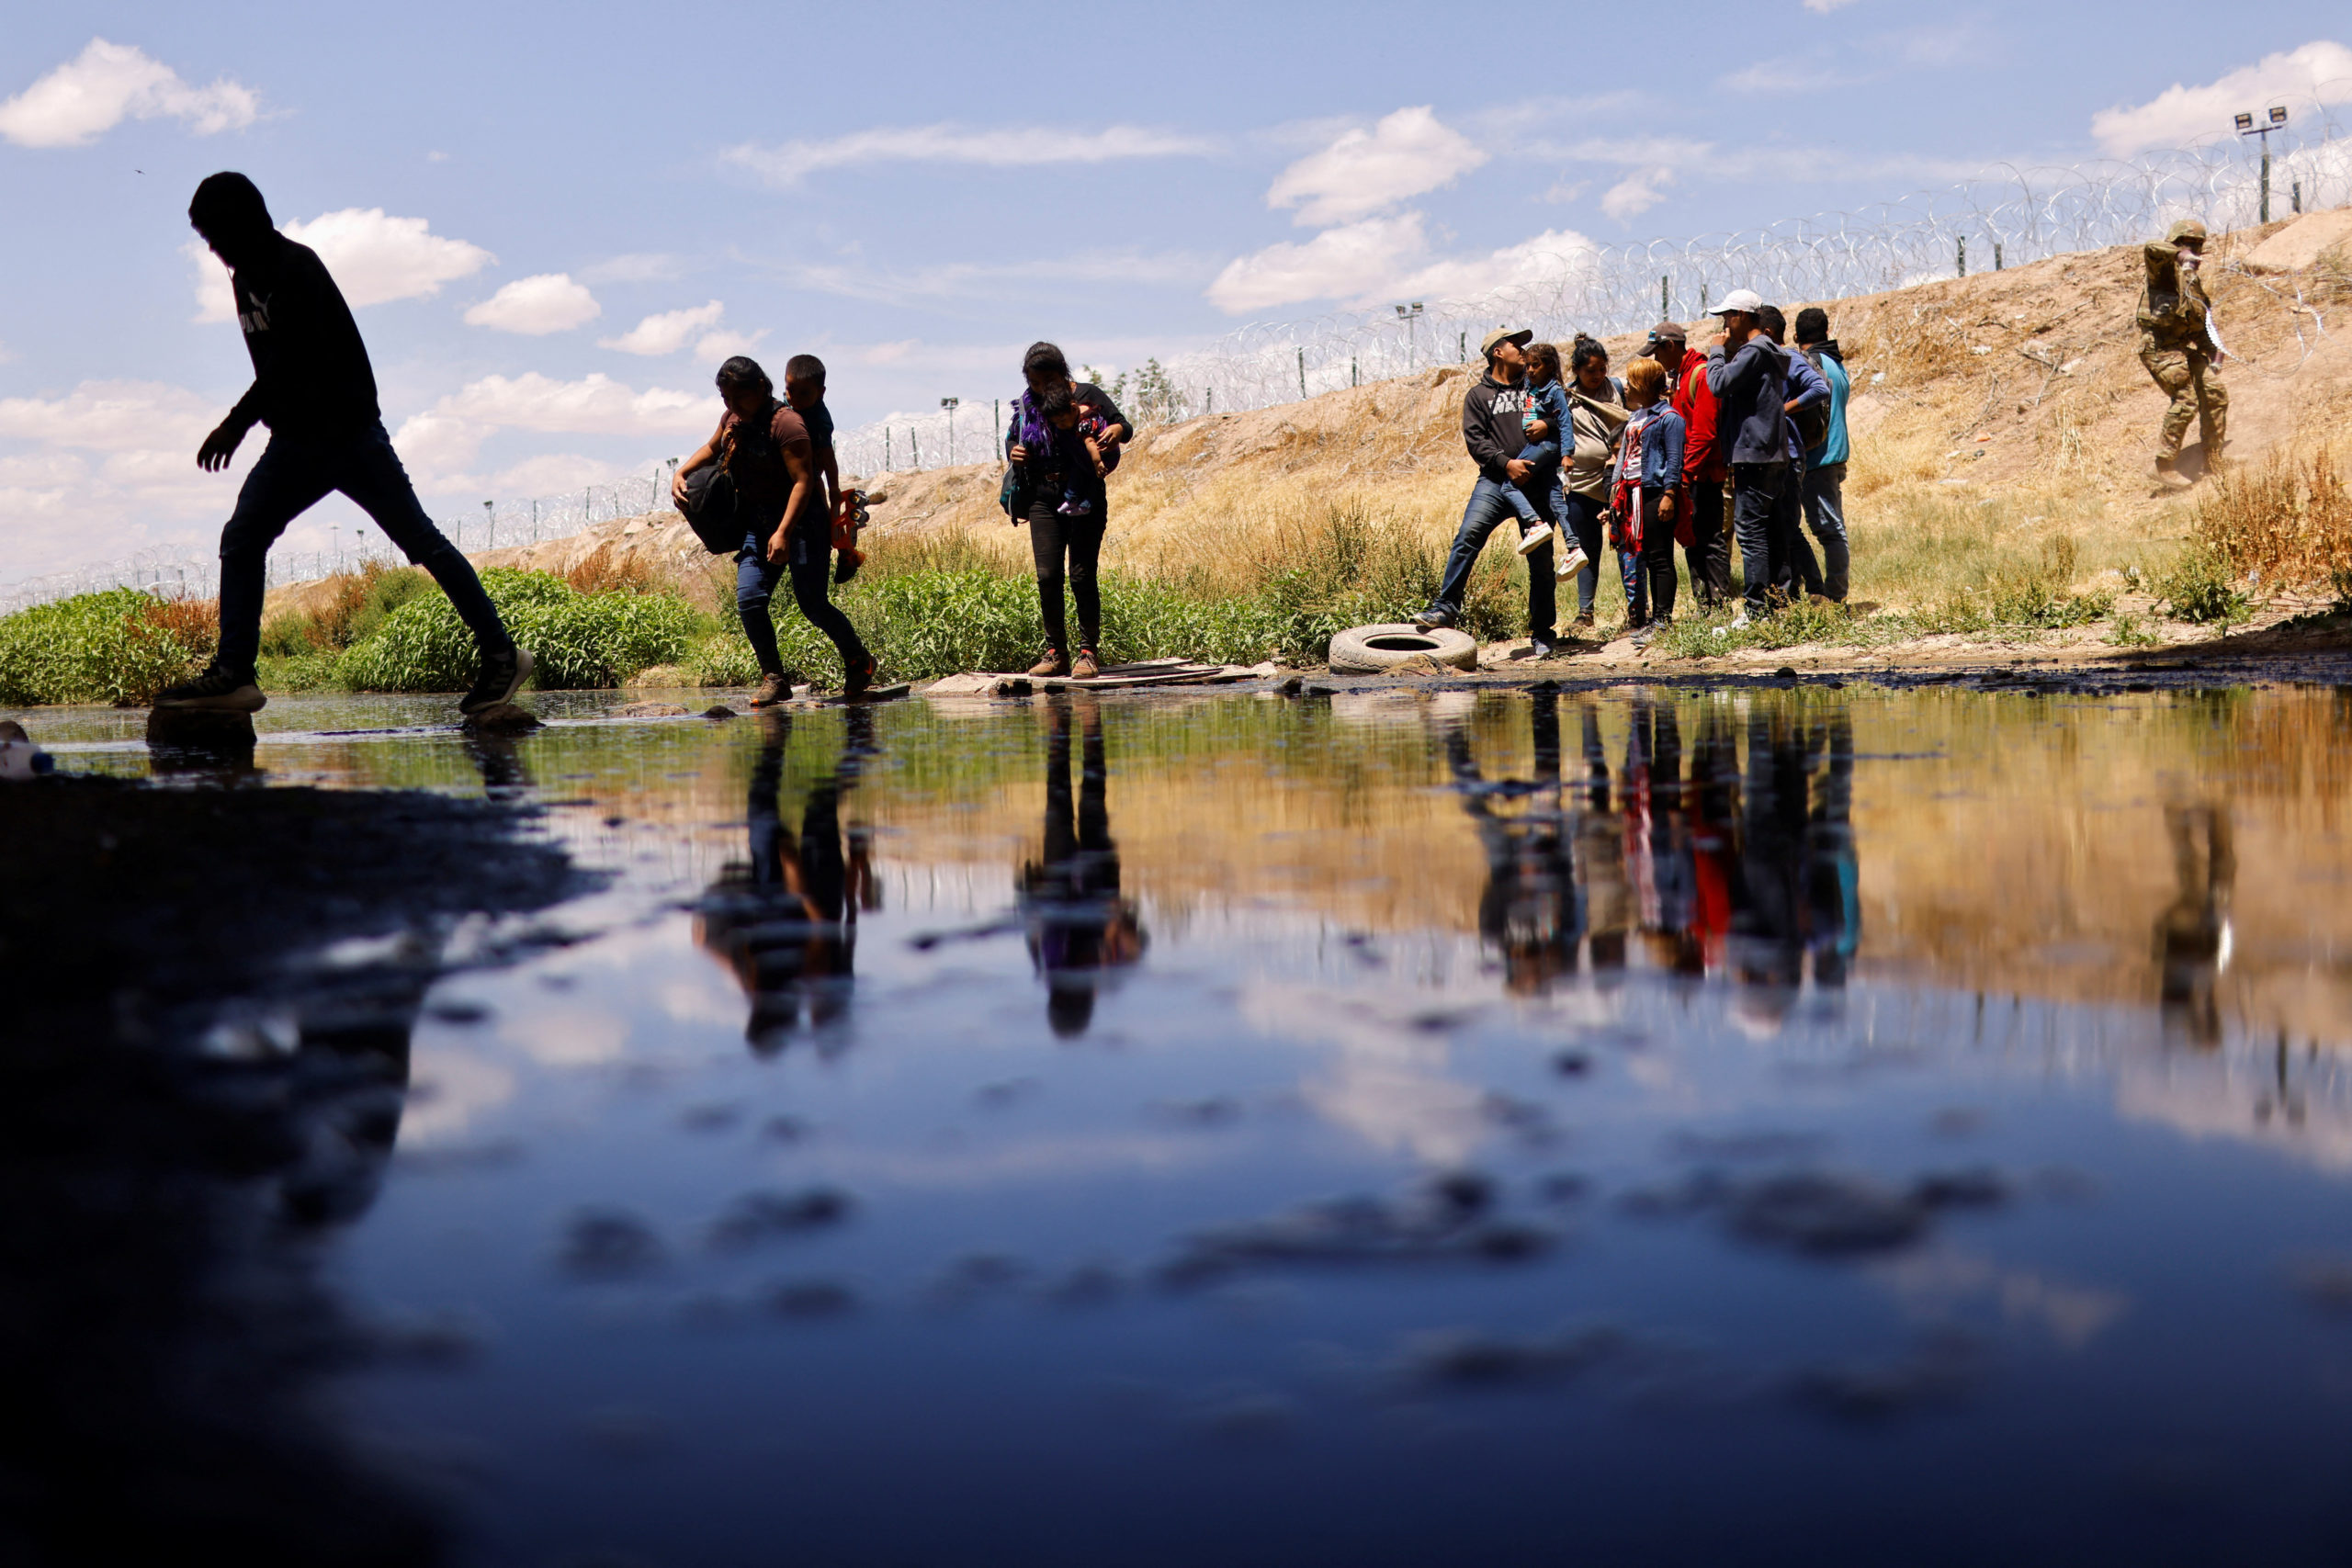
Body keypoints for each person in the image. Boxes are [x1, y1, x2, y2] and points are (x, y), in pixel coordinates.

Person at [156, 172, 530, 716]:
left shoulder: (295, 267)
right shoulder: (245, 280)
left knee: (421, 543)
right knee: (242, 538)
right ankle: (235, 674)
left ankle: (502, 655)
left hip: (348, 435)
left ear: (247, 222)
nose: (214, 250)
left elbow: (288, 364)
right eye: (206, 239)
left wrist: (235, 424)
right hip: (296, 441)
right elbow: (274, 370)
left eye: (217, 235)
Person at [674, 355, 876, 708]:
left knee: (813, 605)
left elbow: (803, 481)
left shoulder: (787, 424)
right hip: (761, 524)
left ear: (760, 388)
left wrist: (784, 532)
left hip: (804, 523)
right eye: (725, 398)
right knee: (750, 599)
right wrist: (681, 473)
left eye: (739, 397)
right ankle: (775, 679)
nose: (732, 405)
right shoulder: (732, 419)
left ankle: (859, 661)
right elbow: (711, 448)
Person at [695, 707, 878, 1054]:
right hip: (810, 894)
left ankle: (777, 742)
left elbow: (844, 926)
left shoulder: (758, 984)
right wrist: (802, 861)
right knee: (817, 806)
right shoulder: (810, 975)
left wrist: (710, 944)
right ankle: (857, 749)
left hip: (786, 894)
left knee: (767, 808)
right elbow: (825, 920)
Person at [1412, 327, 1557, 652]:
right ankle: (1445, 608)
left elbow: (1562, 415)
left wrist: (1548, 424)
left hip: (1536, 483)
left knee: (1541, 559)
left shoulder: (1537, 385)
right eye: (1516, 344)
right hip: (1495, 482)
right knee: (1467, 537)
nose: (1524, 350)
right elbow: (1476, 442)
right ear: (1497, 352)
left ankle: (1543, 633)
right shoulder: (1478, 396)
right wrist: (1507, 464)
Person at [1020, 693, 1144, 1035]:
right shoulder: (1107, 969)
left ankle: (1061, 729)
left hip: (1059, 882)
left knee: (1059, 803)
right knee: (1092, 801)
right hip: (1098, 881)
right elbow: (1137, 939)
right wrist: (1116, 929)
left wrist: (1034, 890)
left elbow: (1032, 916)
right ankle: (1090, 727)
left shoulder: (1047, 961)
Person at [1006, 343, 1132, 680]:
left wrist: (1116, 431)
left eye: (1047, 380)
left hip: (1085, 495)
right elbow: (1013, 438)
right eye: (1034, 382)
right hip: (1042, 497)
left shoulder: (1088, 395)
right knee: (1048, 576)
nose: (1040, 388)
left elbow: (1124, 426)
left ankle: (1088, 653)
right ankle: (1056, 654)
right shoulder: (1028, 405)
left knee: (1081, 575)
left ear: (1062, 373)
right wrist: (1014, 451)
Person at [1703, 288, 1790, 627]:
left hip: (1753, 454)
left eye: (1727, 316)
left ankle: (1756, 610)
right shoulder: (1767, 351)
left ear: (1741, 315)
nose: (1725, 325)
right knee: (1770, 531)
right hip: (1770, 452)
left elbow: (1718, 384)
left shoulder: (1753, 351)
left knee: (1751, 533)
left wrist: (1716, 350)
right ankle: (1777, 604)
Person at [2138, 218, 2228, 486]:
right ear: (2175, 244)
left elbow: (2200, 327)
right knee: (2187, 399)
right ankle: (2163, 465)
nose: (2194, 251)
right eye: (2188, 244)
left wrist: (2215, 352)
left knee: (2215, 393)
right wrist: (2179, 255)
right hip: (2159, 348)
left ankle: (2213, 460)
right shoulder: (2163, 270)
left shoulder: (2193, 285)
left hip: (2181, 349)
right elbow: (2151, 248)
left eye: (2198, 246)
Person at [1649, 321, 1732, 609]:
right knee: (1692, 539)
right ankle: (1704, 605)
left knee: (1709, 539)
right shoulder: (1681, 377)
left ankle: (1718, 605)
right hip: (1691, 473)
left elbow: (1703, 433)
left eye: (1658, 352)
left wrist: (1685, 475)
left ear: (1670, 346)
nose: (1656, 359)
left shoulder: (1701, 374)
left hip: (1703, 475)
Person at [1757, 305, 1833, 605]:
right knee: (1777, 526)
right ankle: (1789, 592)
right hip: (1772, 455)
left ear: (1766, 333)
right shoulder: (1764, 361)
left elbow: (1819, 389)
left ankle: (1816, 589)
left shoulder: (1787, 358)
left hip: (1788, 453)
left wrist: (1782, 410)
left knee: (1788, 526)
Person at [1610, 358, 1687, 647]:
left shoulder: (1669, 418)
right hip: (1634, 494)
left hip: (1655, 492)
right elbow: (1624, 456)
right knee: (1648, 557)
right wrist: (1615, 492)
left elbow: (1674, 460)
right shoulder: (1636, 416)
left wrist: (1669, 494)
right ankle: (1655, 621)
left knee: (1660, 557)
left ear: (1644, 385)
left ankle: (1663, 621)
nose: (1627, 388)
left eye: (1631, 383)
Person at [1559, 336, 1629, 635]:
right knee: (1586, 548)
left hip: (1617, 480)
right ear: (1576, 370)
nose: (1598, 375)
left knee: (1625, 543)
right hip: (1581, 484)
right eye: (1591, 371)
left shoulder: (1616, 389)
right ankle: (1585, 612)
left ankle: (1636, 610)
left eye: (1602, 369)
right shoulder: (1565, 397)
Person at [1792, 308, 1853, 604]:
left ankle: (1836, 595)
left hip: (1819, 457)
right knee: (1832, 527)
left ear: (1795, 336)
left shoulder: (1810, 363)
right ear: (1826, 332)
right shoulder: (1835, 363)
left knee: (1830, 530)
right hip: (1835, 454)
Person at [781, 354, 857, 586]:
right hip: (791, 474)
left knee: (827, 518)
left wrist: (834, 488)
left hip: (812, 476)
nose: (795, 398)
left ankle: (847, 554)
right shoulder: (785, 405)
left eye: (804, 393)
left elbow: (827, 455)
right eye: (790, 390)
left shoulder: (819, 419)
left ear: (821, 393)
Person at [1500, 341, 1571, 564]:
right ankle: (1574, 546)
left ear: (1549, 366)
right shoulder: (1530, 385)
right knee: (1556, 497)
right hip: (1542, 447)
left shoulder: (1555, 391)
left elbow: (1565, 422)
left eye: (1536, 365)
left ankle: (1535, 523)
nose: (1530, 370)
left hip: (1544, 446)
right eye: (1528, 365)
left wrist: (1567, 454)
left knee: (1508, 485)